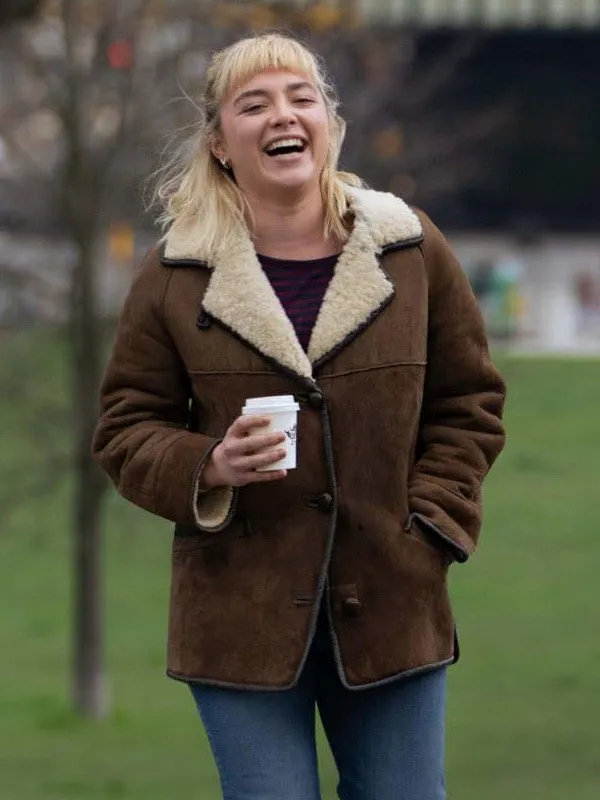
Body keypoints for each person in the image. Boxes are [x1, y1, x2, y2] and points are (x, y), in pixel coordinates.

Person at [92, 32, 506, 800]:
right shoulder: (175, 272)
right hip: (237, 618)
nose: (282, 114)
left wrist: (433, 529)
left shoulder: (409, 250)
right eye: (254, 104)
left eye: (301, 97)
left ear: (328, 124)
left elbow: (471, 403)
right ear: (221, 143)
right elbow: (124, 428)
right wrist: (208, 466)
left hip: (392, 601)